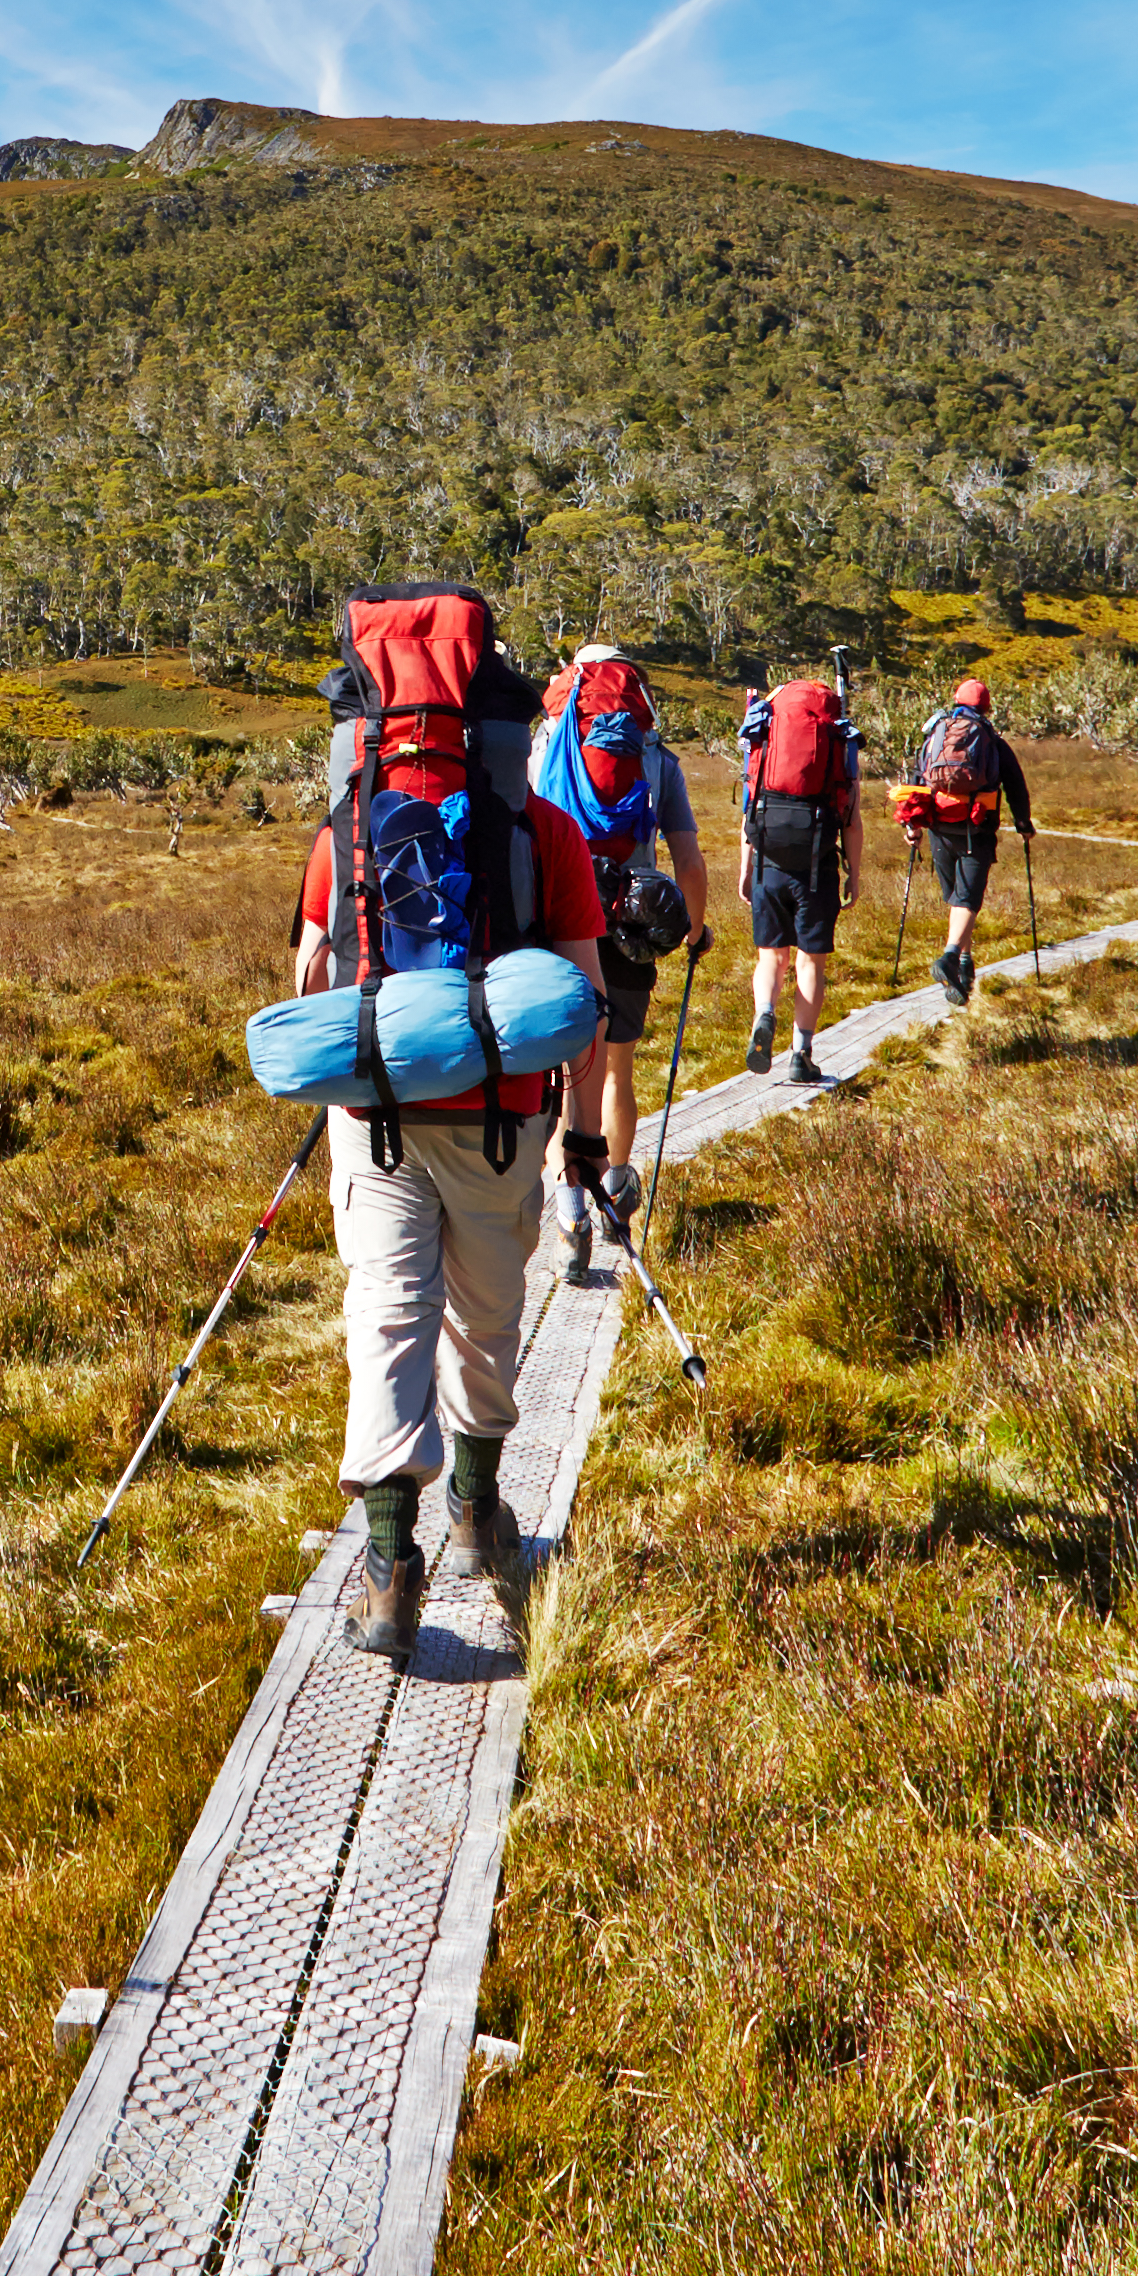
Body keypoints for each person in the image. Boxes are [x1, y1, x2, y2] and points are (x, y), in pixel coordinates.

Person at [293, 586, 613, 1663]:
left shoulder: (343, 831)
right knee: (484, 1316)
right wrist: (577, 1138)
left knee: (386, 1313)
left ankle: (389, 1567)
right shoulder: (548, 835)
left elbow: (309, 976)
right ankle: (478, 1518)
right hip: (502, 1120)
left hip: (373, 1111)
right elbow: (580, 1008)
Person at [525, 642, 704, 1264]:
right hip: (630, 927)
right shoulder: (655, 757)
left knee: (559, 1071)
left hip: (555, 925)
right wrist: (694, 929)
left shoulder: (545, 743)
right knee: (616, 1070)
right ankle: (615, 1182)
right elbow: (687, 857)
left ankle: (568, 1207)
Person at [735, 661, 859, 1083]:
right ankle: (800, 1054)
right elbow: (851, 820)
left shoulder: (766, 736)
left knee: (771, 956)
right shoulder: (837, 742)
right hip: (816, 866)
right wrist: (853, 874)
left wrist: (745, 868)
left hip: (769, 861)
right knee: (810, 962)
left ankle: (764, 1014)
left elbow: (750, 805)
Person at [894, 670, 1036, 1005]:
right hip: (978, 826)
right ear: (986, 708)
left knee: (957, 898)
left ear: (956, 702)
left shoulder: (935, 736)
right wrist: (1023, 823)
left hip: (940, 828)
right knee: (968, 899)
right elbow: (1015, 784)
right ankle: (951, 955)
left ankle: (963, 968)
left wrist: (911, 825)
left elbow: (917, 782)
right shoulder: (991, 740)